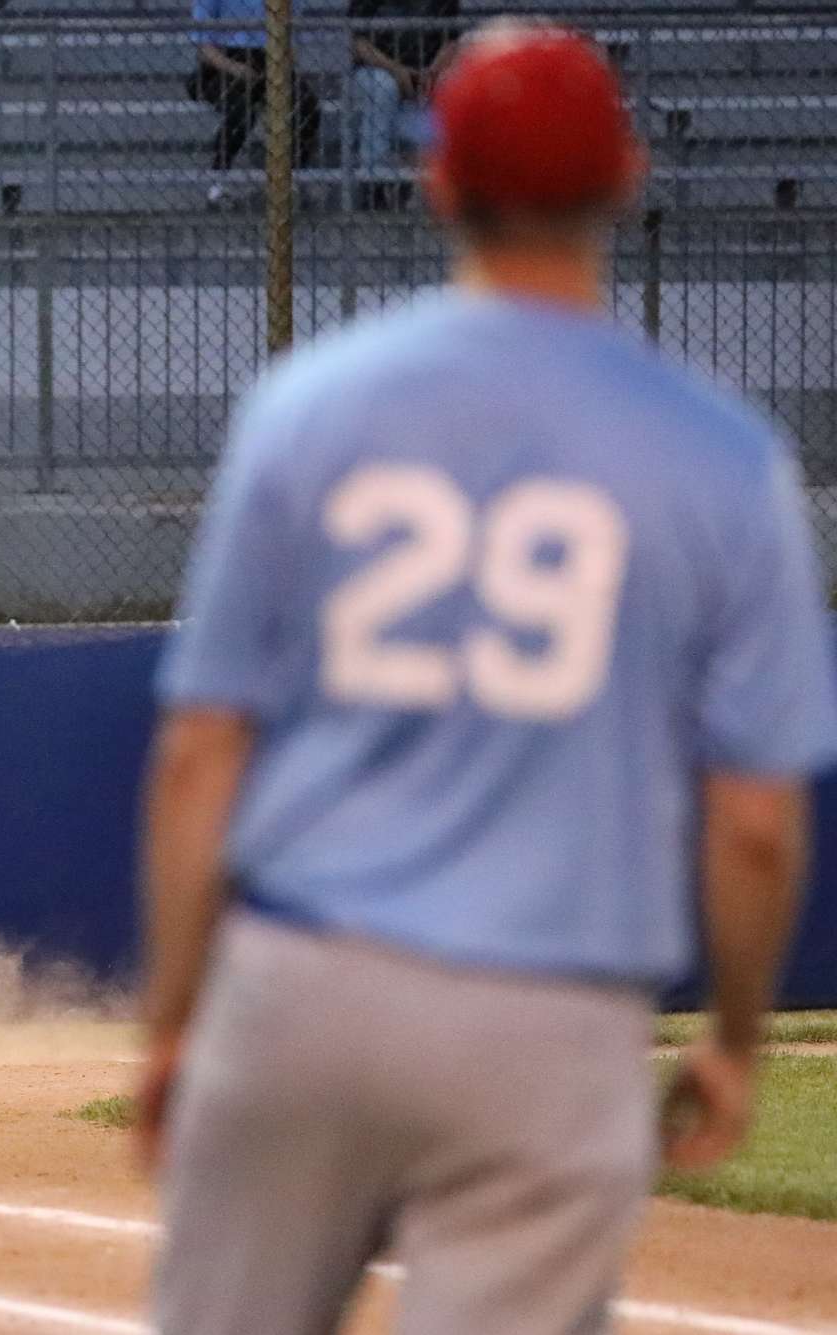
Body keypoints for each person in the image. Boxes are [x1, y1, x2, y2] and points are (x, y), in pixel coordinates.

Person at [137, 22, 837, 1335]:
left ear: (437, 179)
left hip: (305, 985)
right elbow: (754, 820)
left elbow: (198, 753)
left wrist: (175, 1016)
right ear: (625, 176)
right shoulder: (722, 455)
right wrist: (734, 1036)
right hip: (548, 1018)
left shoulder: (308, 406)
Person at [186, 0, 322, 207]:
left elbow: (291, 40)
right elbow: (204, 47)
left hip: (270, 58)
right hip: (224, 61)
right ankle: (218, 180)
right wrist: (235, 68)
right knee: (241, 109)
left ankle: (290, 176)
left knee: (307, 106)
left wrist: (279, 67)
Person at [346, 0, 461, 209]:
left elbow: (451, 42)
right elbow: (359, 44)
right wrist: (396, 70)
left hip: (429, 68)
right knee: (384, 87)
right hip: (378, 68)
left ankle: (443, 183)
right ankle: (374, 183)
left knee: (449, 85)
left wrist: (431, 73)